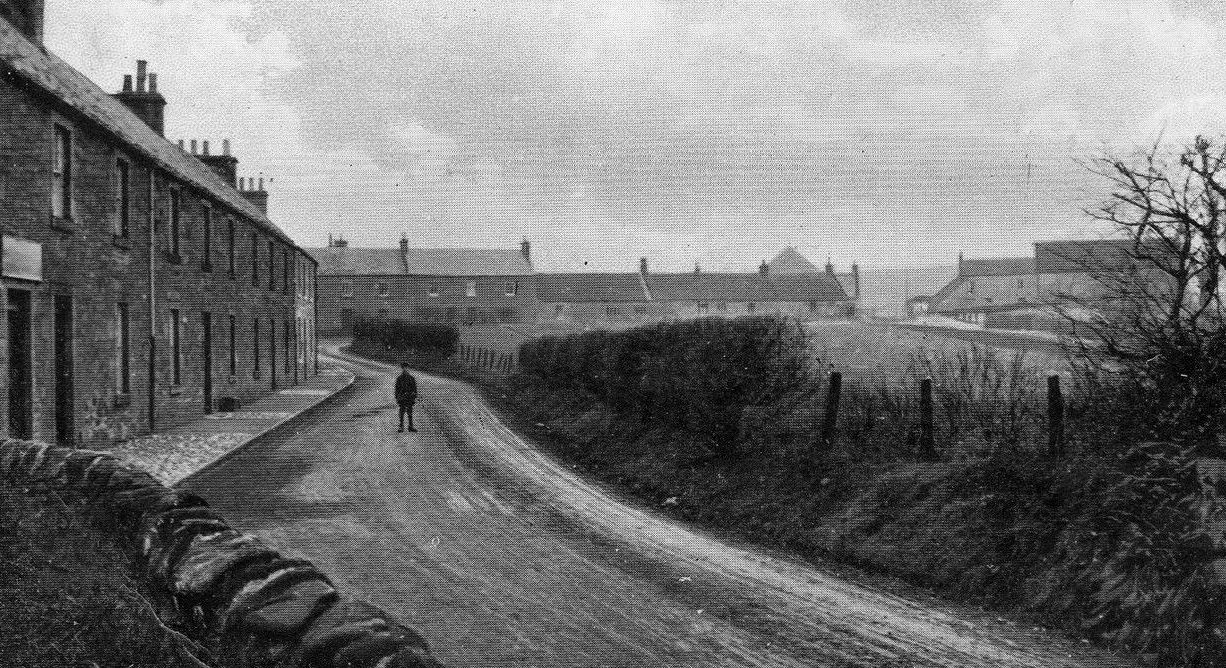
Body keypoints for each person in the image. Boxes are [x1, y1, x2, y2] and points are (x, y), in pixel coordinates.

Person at [394, 362, 418, 433]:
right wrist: (397, 397)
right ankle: (401, 426)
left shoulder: (411, 378)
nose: (405, 369)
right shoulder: (399, 378)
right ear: (402, 369)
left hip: (409, 397)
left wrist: (414, 395)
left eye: (407, 368)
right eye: (404, 368)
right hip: (402, 397)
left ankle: (411, 426)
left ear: (408, 369)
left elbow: (414, 389)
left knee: (410, 412)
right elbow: (397, 389)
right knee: (402, 411)